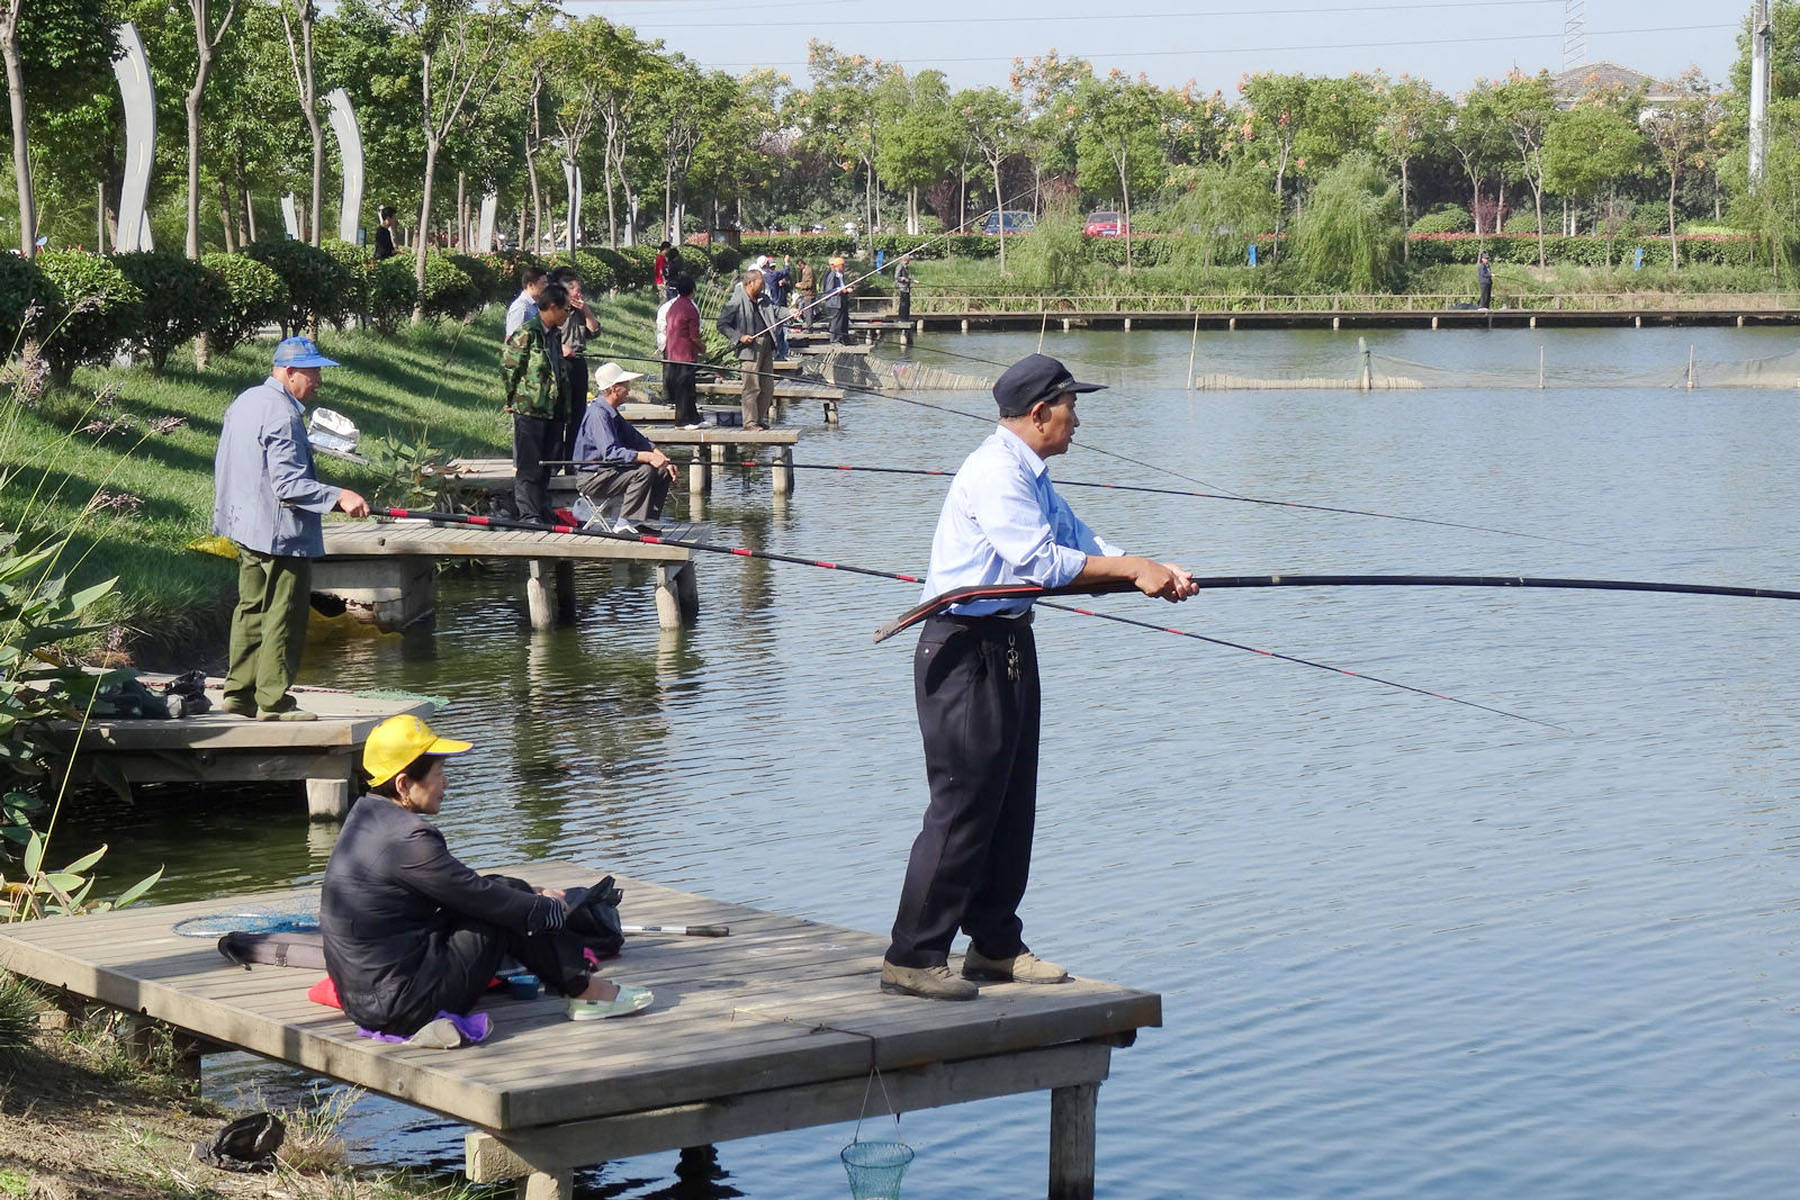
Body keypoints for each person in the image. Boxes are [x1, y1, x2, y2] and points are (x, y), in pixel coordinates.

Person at [880, 353, 1200, 1001]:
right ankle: (913, 954)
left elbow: (1077, 541)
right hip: (963, 651)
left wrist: (1149, 571)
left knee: (1010, 803)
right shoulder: (995, 472)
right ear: (1038, 413)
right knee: (963, 803)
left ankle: (994, 944)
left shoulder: (1032, 474)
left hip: (1010, 645)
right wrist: (1131, 569)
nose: (1077, 419)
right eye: (1071, 407)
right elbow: (1039, 561)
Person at [321, 714, 653, 1042]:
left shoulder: (365, 817)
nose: (446, 783)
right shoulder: (410, 840)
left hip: (366, 999)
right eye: (439, 774)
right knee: (508, 905)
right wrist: (548, 910)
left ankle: (579, 983)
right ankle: (586, 991)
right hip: (402, 1006)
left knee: (506, 892)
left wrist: (530, 896)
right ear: (404, 784)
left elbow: (463, 887)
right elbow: (483, 899)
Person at [212, 337, 370, 722]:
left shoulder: (247, 400)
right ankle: (274, 701)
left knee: (250, 609)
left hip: (245, 527)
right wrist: (340, 496)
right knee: (285, 614)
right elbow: (289, 486)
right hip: (281, 535)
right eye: (313, 372)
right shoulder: (283, 415)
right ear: (288, 372)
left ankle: (237, 694)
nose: (318, 380)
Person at [574, 362, 678, 529]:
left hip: (609, 472)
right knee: (644, 471)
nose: (628, 390)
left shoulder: (611, 412)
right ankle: (624, 523)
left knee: (661, 471)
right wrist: (648, 457)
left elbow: (637, 439)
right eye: (625, 386)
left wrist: (661, 458)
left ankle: (643, 521)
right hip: (593, 477)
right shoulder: (598, 415)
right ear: (614, 389)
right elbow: (611, 453)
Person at [502, 282, 570, 523]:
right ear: (552, 307)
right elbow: (510, 368)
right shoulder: (527, 333)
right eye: (565, 310)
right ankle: (528, 513)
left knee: (548, 462)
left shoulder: (555, 334)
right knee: (529, 464)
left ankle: (543, 508)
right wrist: (512, 399)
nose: (567, 315)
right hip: (530, 409)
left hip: (553, 411)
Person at [716, 268, 782, 430]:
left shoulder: (763, 299)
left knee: (767, 387)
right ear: (750, 283)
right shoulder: (737, 301)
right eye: (761, 282)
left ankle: (759, 418)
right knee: (751, 387)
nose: (763, 285)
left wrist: (793, 312)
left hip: (766, 344)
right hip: (749, 349)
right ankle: (749, 423)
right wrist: (739, 336)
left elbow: (775, 311)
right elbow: (722, 324)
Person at [549, 266, 599, 470]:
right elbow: (548, 337)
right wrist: (562, 349)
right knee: (560, 412)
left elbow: (594, 330)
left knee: (578, 413)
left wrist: (585, 310)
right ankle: (555, 461)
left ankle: (572, 460)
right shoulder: (557, 311)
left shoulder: (580, 311)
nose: (580, 294)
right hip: (561, 364)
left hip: (579, 362)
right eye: (576, 291)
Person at [662, 273, 703, 428]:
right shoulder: (690, 308)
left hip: (672, 352)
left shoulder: (673, 306)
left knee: (686, 387)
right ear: (692, 290)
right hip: (685, 353)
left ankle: (694, 418)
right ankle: (682, 420)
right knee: (685, 388)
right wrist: (702, 347)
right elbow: (694, 336)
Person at [758, 255, 791, 360]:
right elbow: (786, 271)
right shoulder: (773, 275)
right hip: (775, 305)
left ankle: (776, 353)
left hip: (766, 306)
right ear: (767, 265)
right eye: (771, 267)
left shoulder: (760, 275)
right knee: (779, 331)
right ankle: (780, 353)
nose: (773, 269)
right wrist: (787, 262)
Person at [505, 265, 549, 339]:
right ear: (531, 285)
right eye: (543, 283)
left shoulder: (535, 305)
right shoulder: (521, 308)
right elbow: (512, 340)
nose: (546, 286)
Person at [823, 255, 852, 344]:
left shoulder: (841, 275)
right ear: (838, 266)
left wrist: (847, 289)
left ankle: (844, 339)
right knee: (836, 321)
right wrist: (842, 290)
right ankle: (834, 340)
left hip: (842, 300)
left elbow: (842, 286)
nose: (844, 267)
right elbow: (829, 290)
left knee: (844, 320)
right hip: (835, 302)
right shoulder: (832, 274)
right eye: (842, 265)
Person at [795, 259, 818, 330]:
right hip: (806, 295)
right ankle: (809, 326)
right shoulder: (804, 270)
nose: (798, 268)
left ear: (801, 264)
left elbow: (809, 284)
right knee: (806, 311)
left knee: (808, 312)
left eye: (798, 266)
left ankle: (809, 328)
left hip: (809, 295)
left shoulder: (808, 270)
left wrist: (801, 286)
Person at [894, 254, 914, 323]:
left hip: (907, 288)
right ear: (905, 260)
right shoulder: (900, 266)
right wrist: (904, 279)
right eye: (908, 260)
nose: (909, 262)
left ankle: (906, 318)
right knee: (903, 304)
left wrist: (913, 281)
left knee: (907, 303)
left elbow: (907, 278)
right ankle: (902, 319)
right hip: (902, 287)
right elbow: (897, 277)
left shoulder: (906, 267)